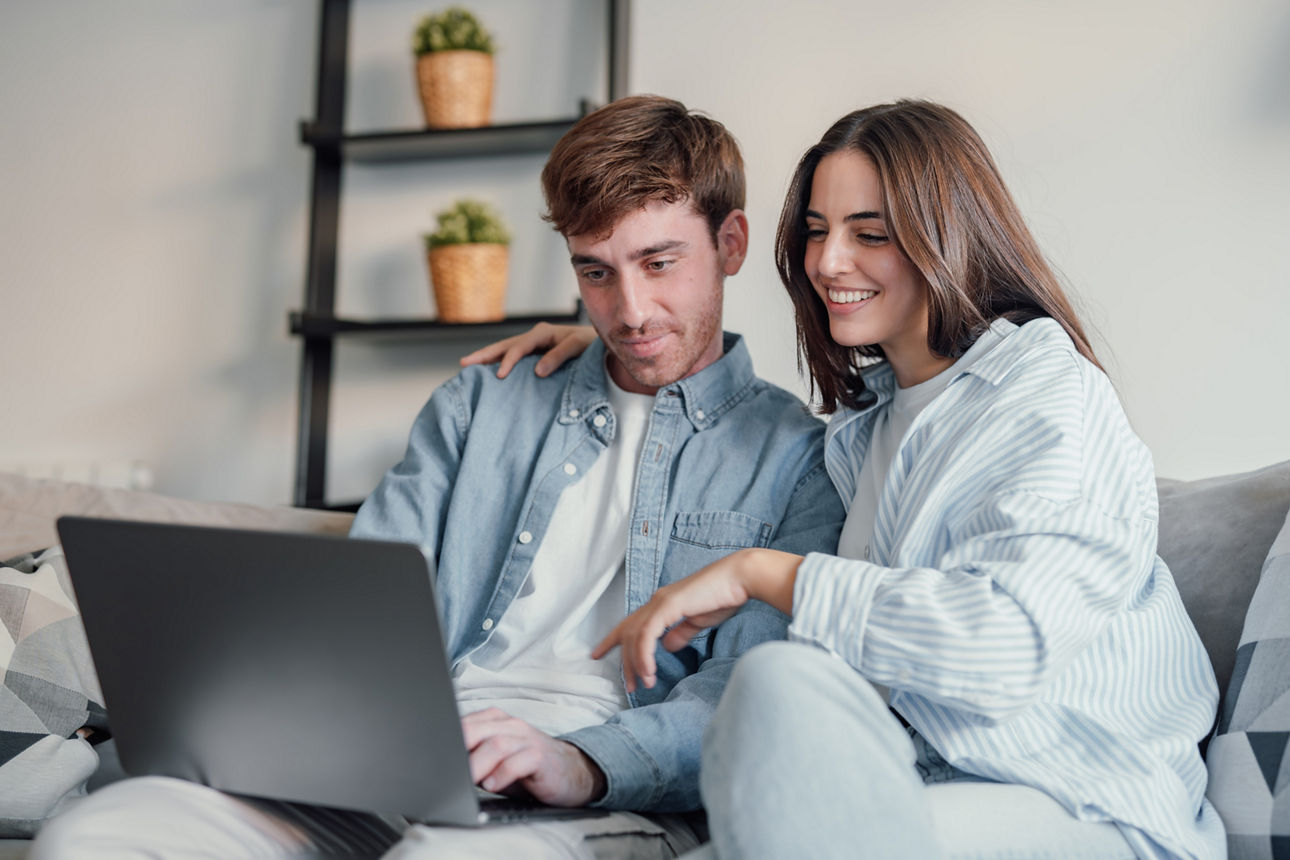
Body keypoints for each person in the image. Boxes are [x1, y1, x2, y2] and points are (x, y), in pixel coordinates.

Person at [29, 95, 844, 859]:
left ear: (730, 243)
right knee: (101, 834)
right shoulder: (480, 403)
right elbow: (358, 608)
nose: (629, 310)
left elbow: (744, 697)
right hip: (397, 760)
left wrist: (577, 761)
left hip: (593, 790)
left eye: (659, 263)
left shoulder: (802, 463)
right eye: (596, 272)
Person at [470, 100, 1224, 859]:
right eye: (819, 231)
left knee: (778, 683)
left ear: (948, 234)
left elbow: (1005, 647)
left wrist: (761, 573)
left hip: (1084, 805)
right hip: (919, 794)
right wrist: (612, 359)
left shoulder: (1046, 391)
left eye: (871, 233)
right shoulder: (859, 433)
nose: (830, 262)